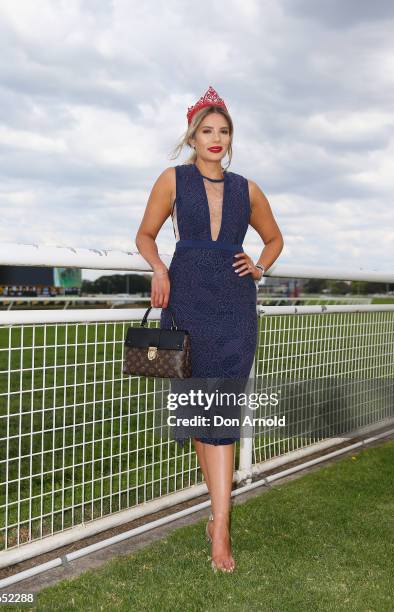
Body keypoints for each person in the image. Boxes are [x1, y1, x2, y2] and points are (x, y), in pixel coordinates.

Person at [135, 85, 284, 573]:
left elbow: (274, 237)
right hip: (187, 302)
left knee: (221, 413)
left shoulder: (248, 188)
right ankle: (219, 518)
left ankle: (220, 526)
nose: (215, 139)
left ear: (230, 139)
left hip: (236, 307)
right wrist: (159, 269)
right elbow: (145, 234)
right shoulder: (172, 180)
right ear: (193, 137)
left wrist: (259, 267)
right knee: (206, 412)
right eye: (207, 131)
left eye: (223, 131)